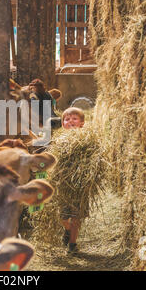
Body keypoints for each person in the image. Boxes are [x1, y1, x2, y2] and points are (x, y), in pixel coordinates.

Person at [59, 107, 85, 253]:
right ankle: (67, 230)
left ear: (81, 123)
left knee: (76, 216)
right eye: (67, 119)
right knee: (63, 217)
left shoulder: (87, 139)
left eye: (74, 118)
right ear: (63, 124)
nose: (71, 121)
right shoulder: (59, 141)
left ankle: (72, 244)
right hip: (63, 184)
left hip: (81, 184)